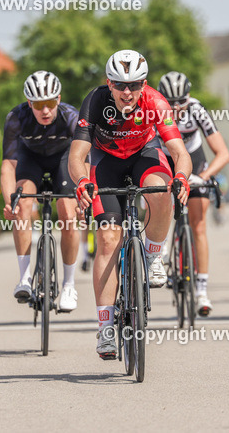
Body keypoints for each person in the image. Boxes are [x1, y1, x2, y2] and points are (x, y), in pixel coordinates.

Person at [69, 50, 192, 360]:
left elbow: (179, 151)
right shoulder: (96, 101)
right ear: (108, 84)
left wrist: (182, 177)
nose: (127, 93)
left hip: (144, 156)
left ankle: (152, 255)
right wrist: (82, 182)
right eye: (119, 85)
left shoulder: (156, 102)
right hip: (106, 161)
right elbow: (76, 154)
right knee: (108, 239)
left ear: (144, 84)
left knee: (161, 190)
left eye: (134, 85)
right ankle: (106, 327)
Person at [0, 71, 82, 312]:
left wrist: (82, 194)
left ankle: (69, 285)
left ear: (58, 99)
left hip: (64, 159)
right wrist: (9, 202)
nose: (44, 110)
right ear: (29, 103)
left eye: (49, 103)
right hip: (30, 159)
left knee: (68, 214)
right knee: (22, 205)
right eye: (38, 104)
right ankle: (24, 278)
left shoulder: (71, 117)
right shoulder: (16, 117)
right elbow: (8, 165)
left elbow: (84, 158)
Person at [157, 70, 229, 316]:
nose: (177, 107)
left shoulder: (197, 109)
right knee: (156, 197)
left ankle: (201, 291)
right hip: (165, 160)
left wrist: (204, 177)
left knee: (198, 226)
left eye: (181, 101)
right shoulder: (153, 108)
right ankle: (160, 248)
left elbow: (223, 154)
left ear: (188, 97)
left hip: (195, 162)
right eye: (171, 102)